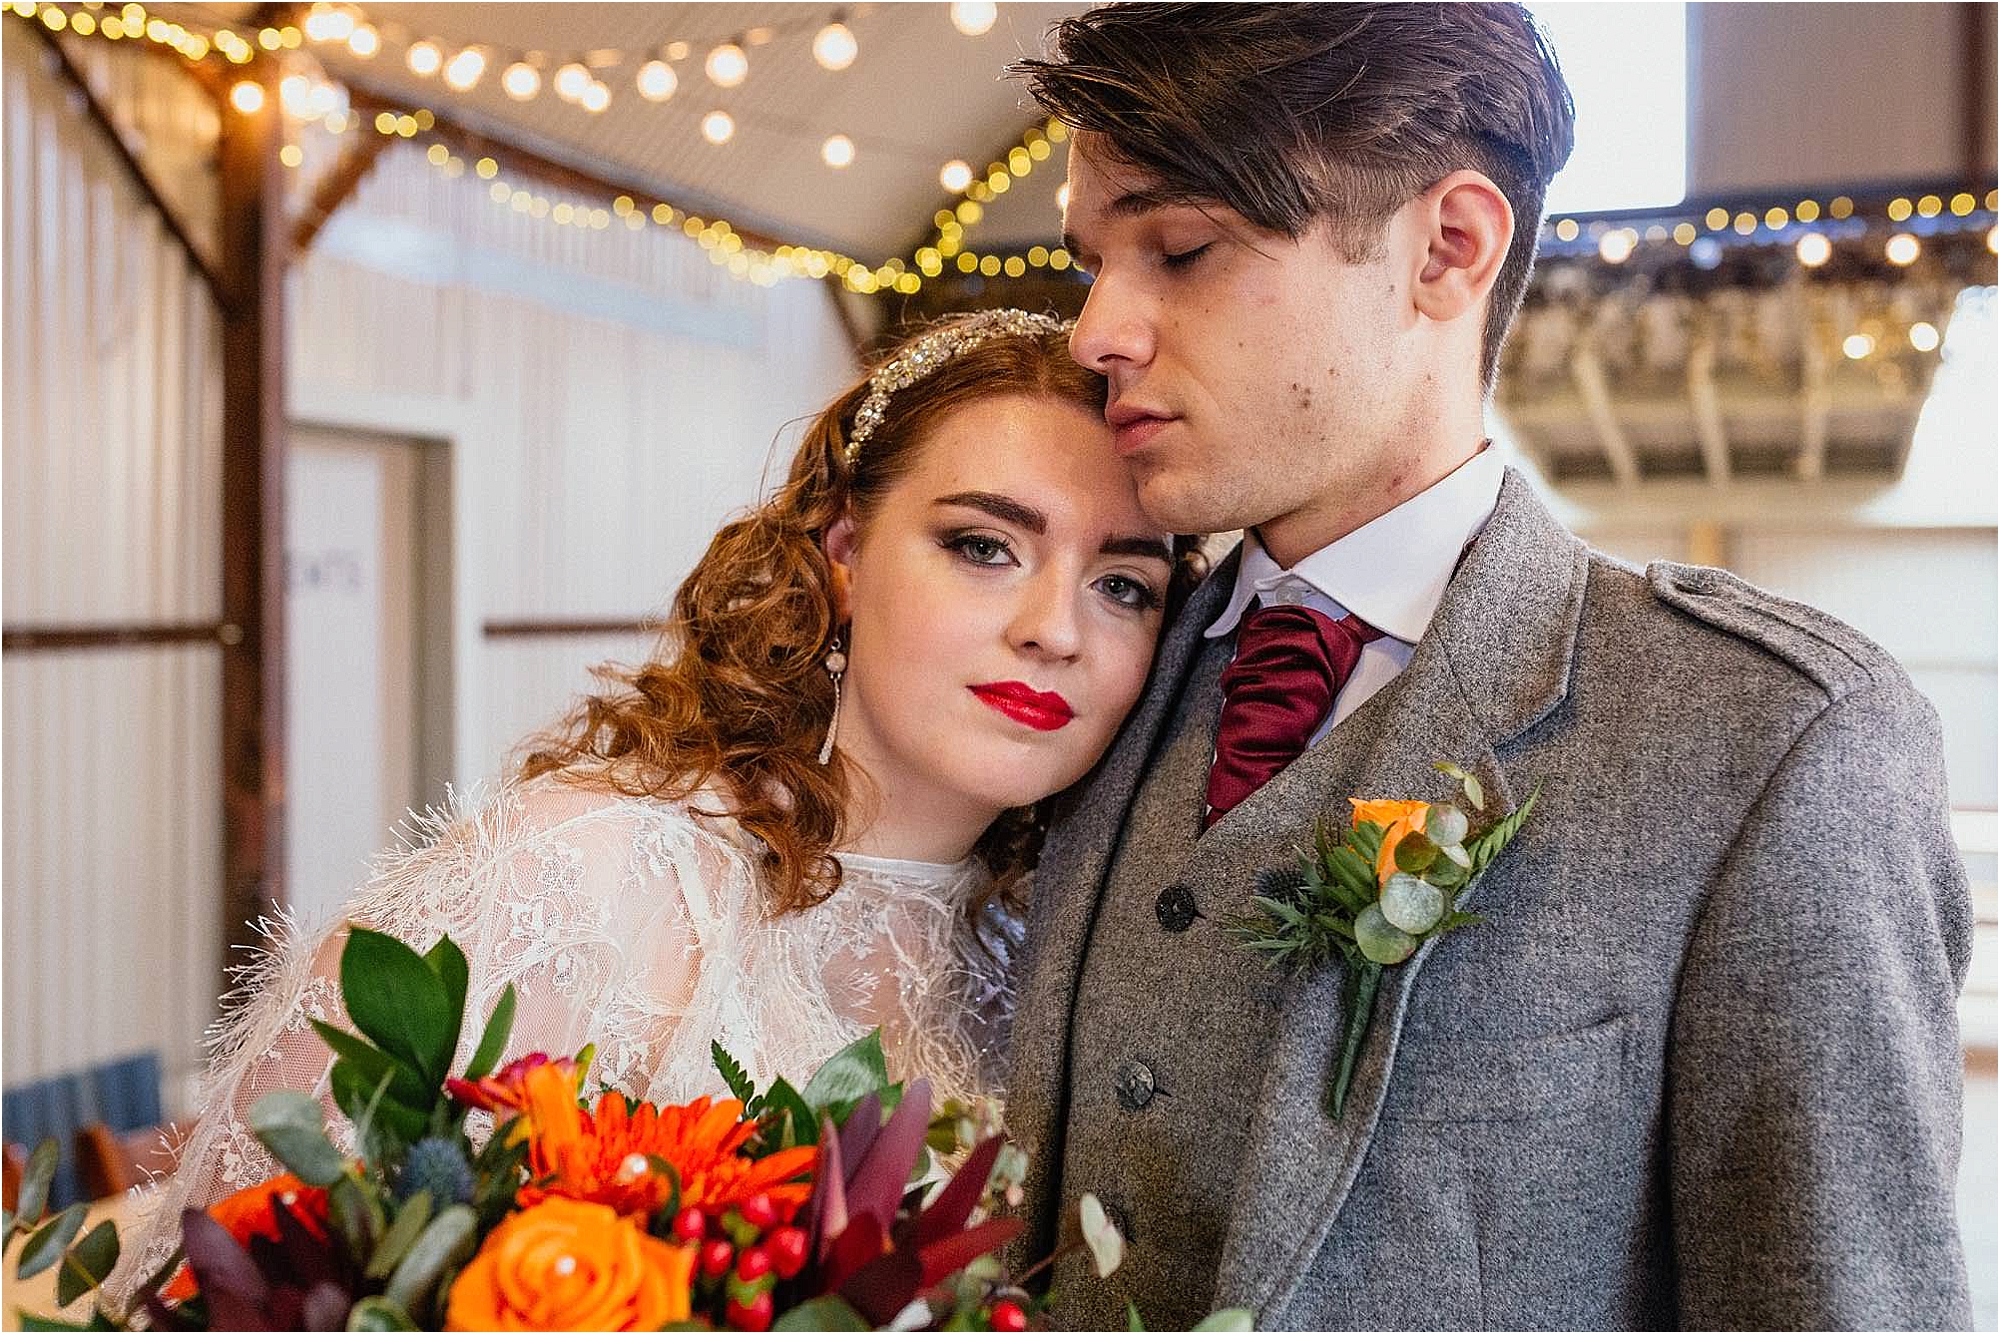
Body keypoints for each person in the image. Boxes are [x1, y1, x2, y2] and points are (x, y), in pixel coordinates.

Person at [1003, 5, 1975, 1329]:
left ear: (1447, 250)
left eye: (1180, 248)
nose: (1097, 331)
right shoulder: (1067, 676)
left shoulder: (1771, 745)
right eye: (1091, 262)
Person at [108, 309, 1203, 1307]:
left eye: (1123, 584)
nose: (1053, 626)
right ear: (846, 557)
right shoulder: (585, 874)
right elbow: (216, 1287)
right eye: (982, 545)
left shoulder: (1057, 947)